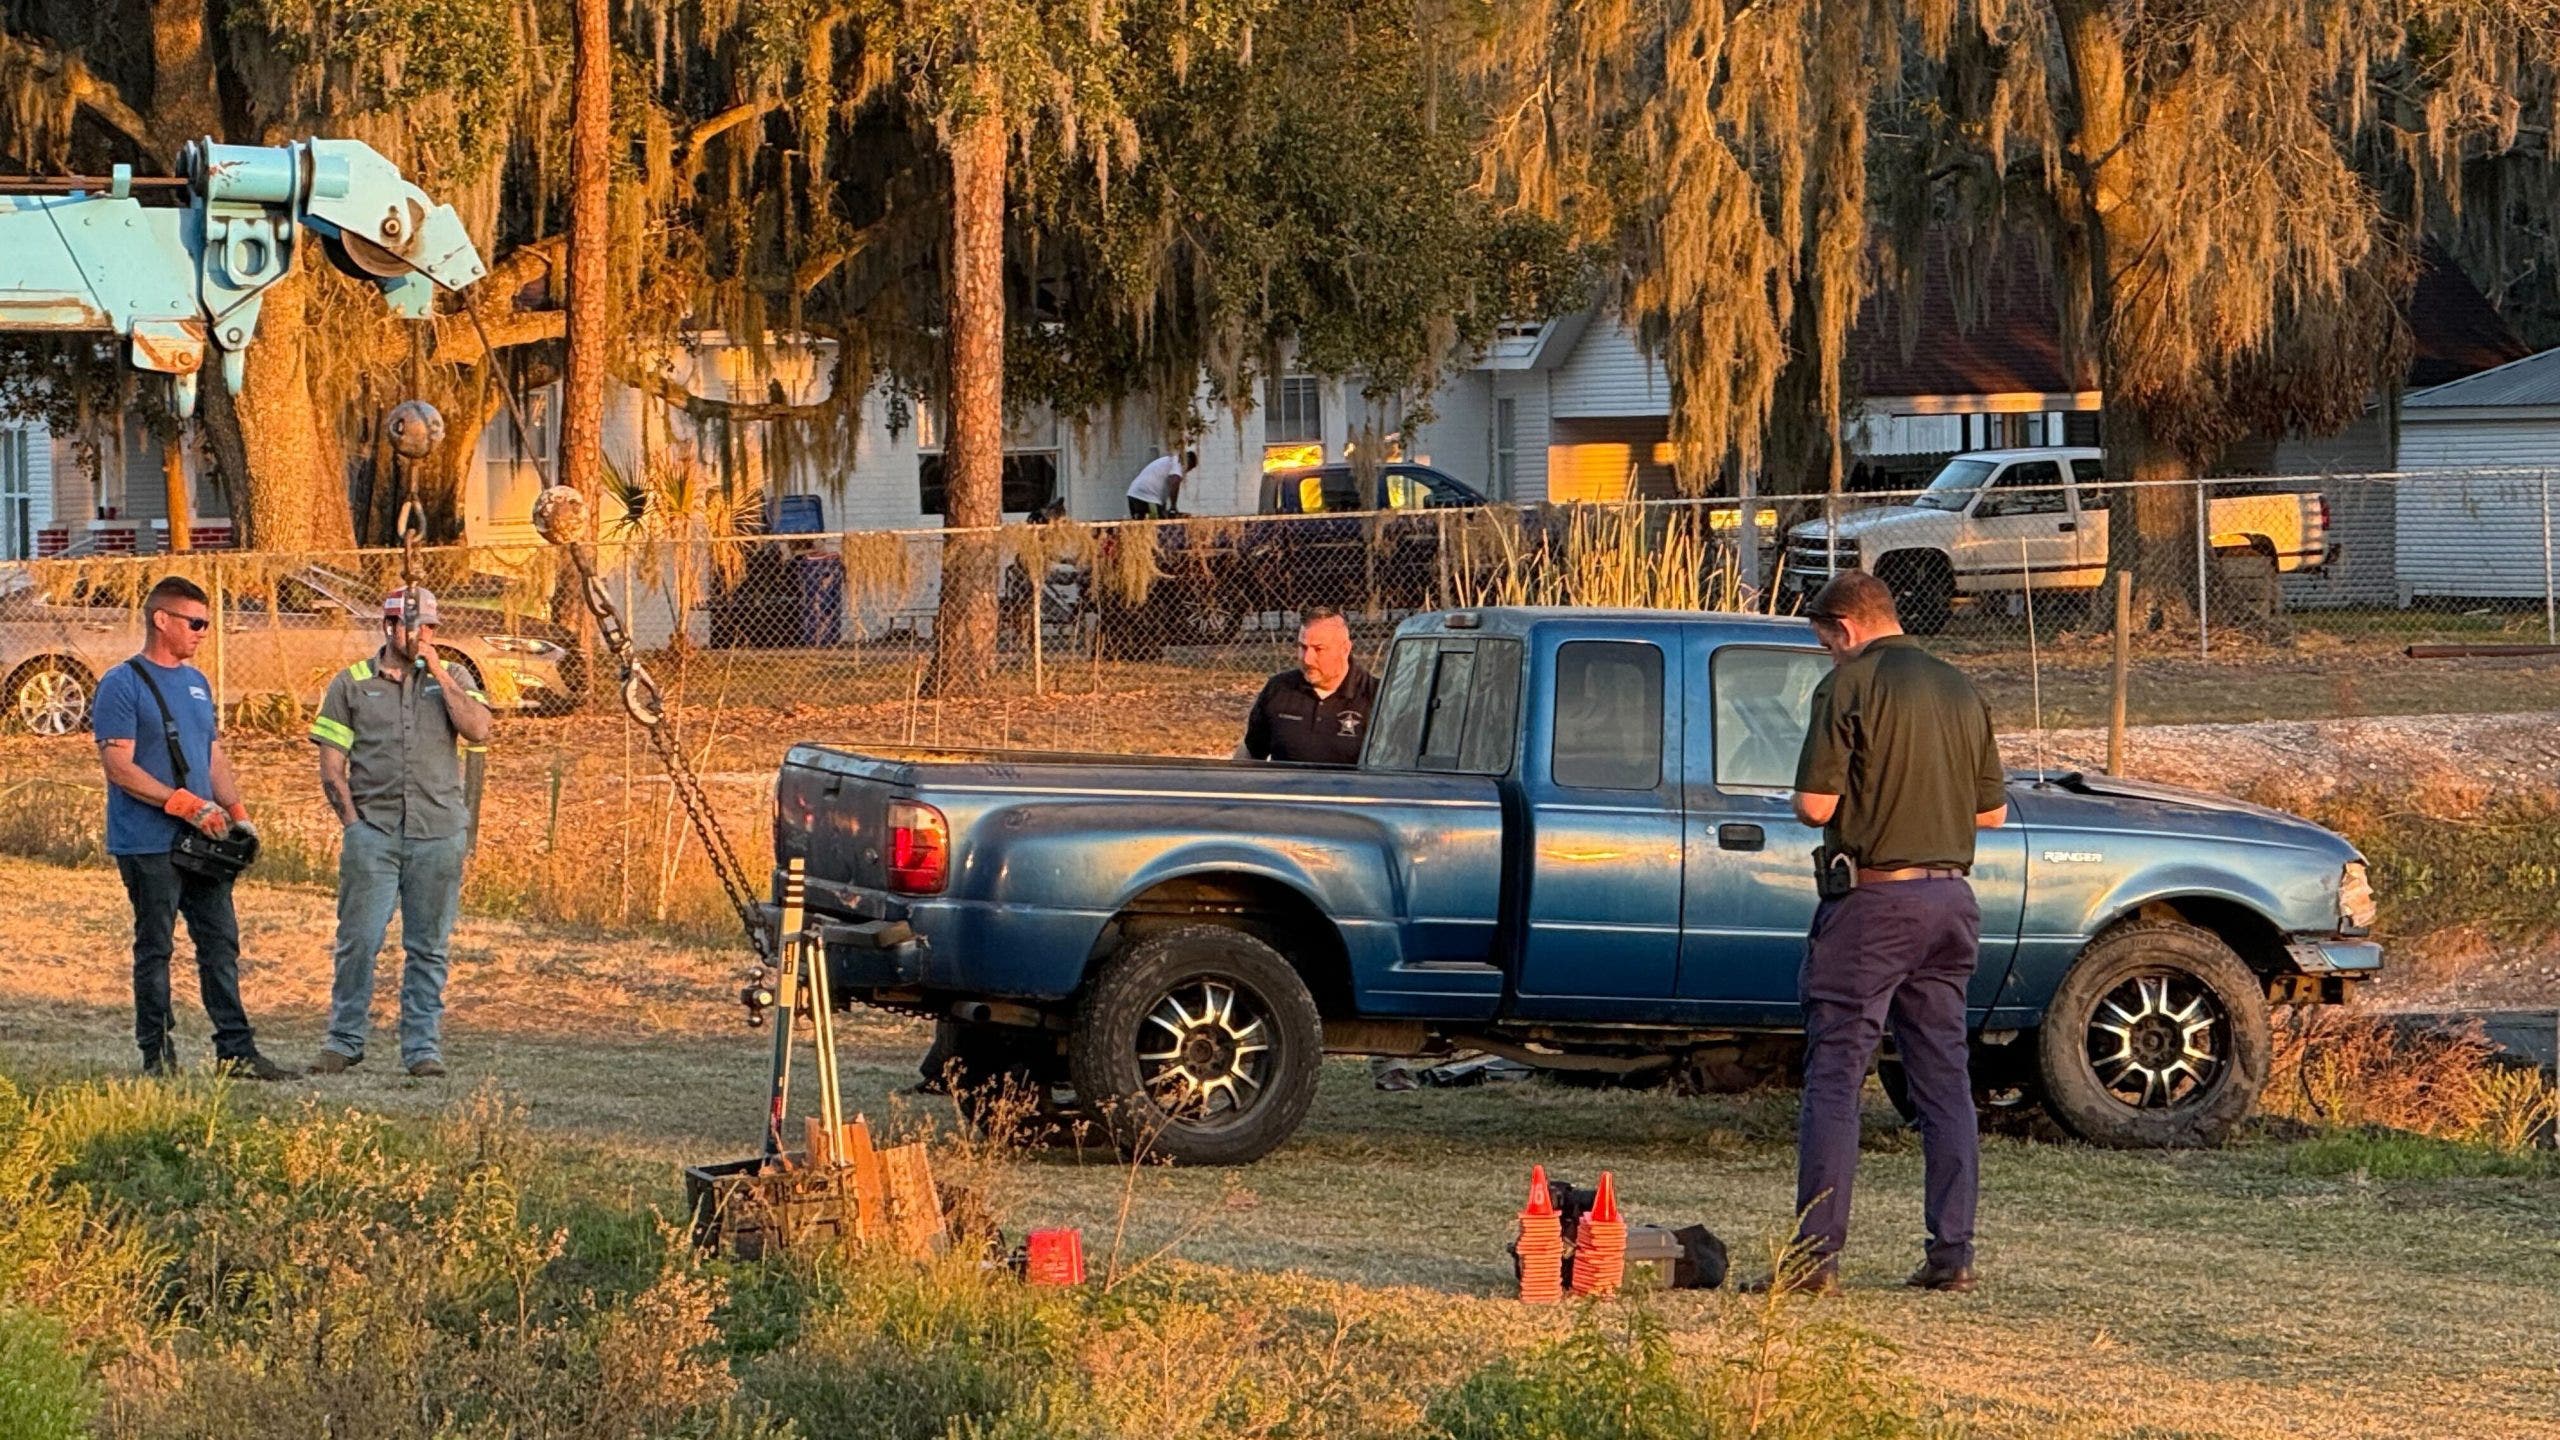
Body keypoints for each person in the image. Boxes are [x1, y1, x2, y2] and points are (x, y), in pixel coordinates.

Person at [1761, 568, 2007, 1297]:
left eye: (1826, 642)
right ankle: (1952, 1253)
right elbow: (1990, 814)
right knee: (1944, 1079)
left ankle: (1815, 1259)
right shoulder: (1959, 687)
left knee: (1837, 1074)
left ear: (1845, 628)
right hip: (1951, 901)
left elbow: (1815, 805)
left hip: (1873, 903)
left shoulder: (1849, 684)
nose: (1828, 653)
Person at [90, 576, 292, 1080]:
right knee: (156, 946)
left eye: (206, 624)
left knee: (220, 943)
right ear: (162, 620)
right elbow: (119, 767)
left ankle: (236, 1053)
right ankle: (157, 1055)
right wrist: (183, 804)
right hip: (147, 841)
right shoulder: (122, 683)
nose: (203, 632)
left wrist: (238, 814)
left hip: (203, 842)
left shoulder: (198, 683)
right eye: (195, 622)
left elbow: (211, 754)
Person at [306, 587, 493, 1079]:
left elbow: (479, 730)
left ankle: (422, 1048)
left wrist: (439, 673)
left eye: (431, 627)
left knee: (429, 946)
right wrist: (353, 824)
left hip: (438, 832)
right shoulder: (350, 684)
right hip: (375, 833)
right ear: (389, 627)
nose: (423, 635)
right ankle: (344, 1040)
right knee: (359, 940)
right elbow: (331, 767)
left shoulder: (454, 677)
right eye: (414, 626)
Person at [1237, 608, 1379, 765]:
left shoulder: (1376, 697)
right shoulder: (1278, 690)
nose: (1307, 659)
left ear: (1345, 649)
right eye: (1303, 647)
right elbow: (1250, 753)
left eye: (1319, 649)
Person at [1126, 450, 1197, 519]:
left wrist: (1163, 508)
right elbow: (1175, 482)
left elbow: (1162, 485)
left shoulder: (1168, 460)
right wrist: (1173, 507)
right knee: (1157, 523)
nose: (1186, 471)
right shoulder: (1178, 463)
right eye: (1189, 468)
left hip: (1133, 494)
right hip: (1147, 497)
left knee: (1140, 525)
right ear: (1188, 463)